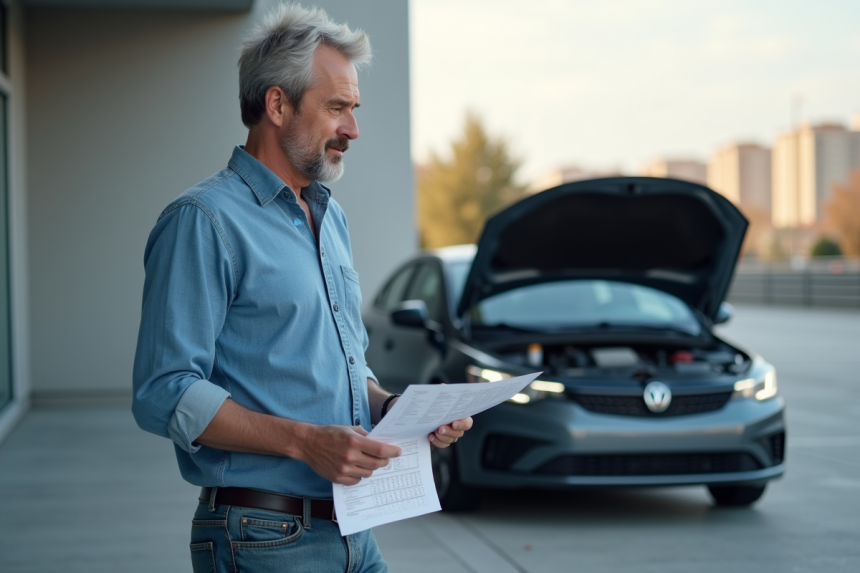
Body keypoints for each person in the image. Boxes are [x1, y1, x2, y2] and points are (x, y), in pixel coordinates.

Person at [131, 4, 472, 572]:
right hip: (260, 538)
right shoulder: (203, 220)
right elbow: (163, 390)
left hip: (354, 529)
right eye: (337, 107)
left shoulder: (329, 218)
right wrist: (303, 442)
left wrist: (399, 410)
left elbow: (342, 365)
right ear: (277, 104)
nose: (353, 129)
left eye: (354, 109)